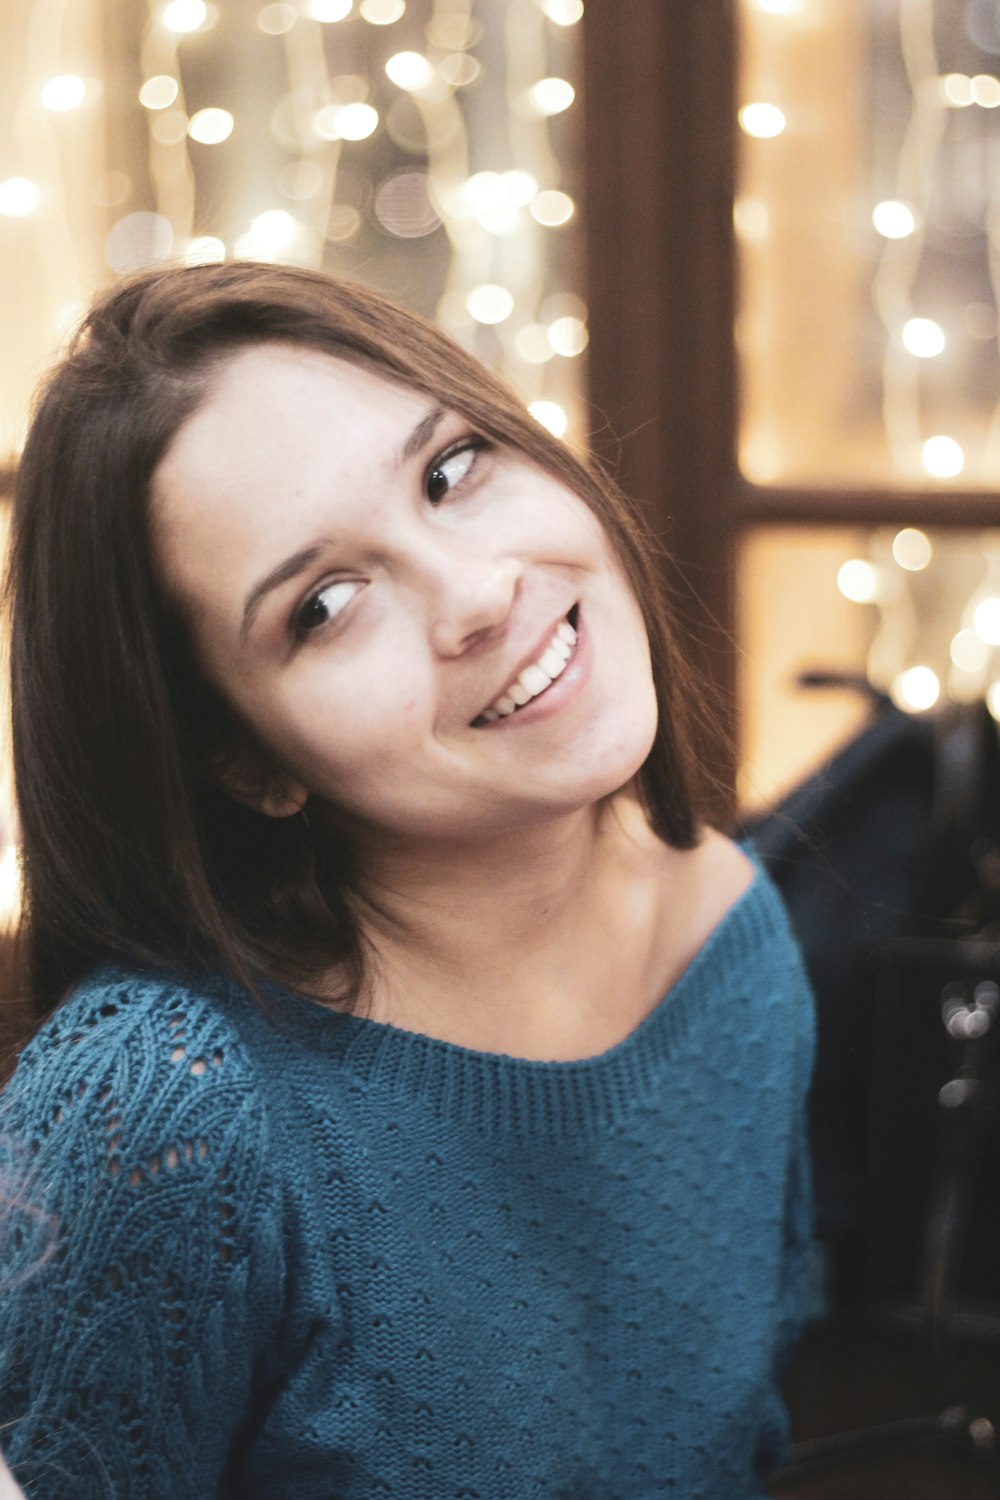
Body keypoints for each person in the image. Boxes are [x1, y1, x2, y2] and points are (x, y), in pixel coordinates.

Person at [0, 262, 814, 1498]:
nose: (479, 594)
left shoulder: (732, 932)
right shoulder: (163, 1114)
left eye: (450, 472)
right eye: (324, 606)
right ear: (246, 762)